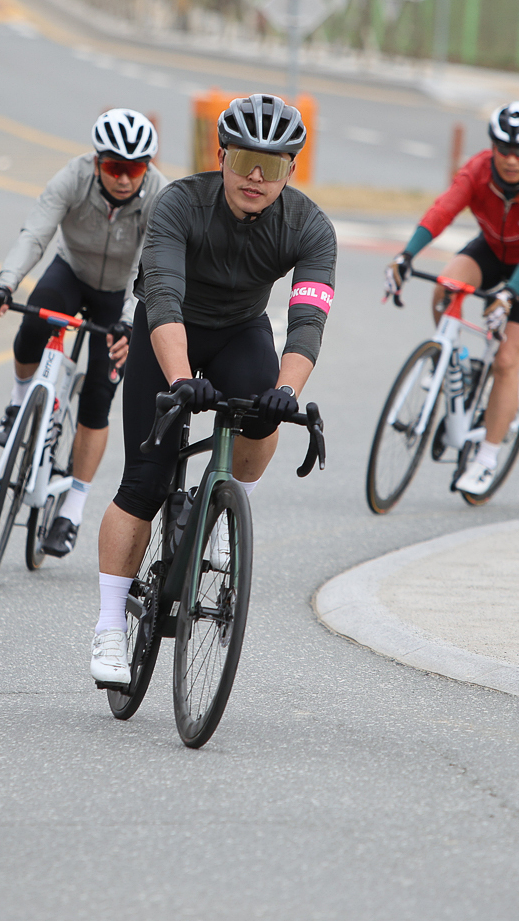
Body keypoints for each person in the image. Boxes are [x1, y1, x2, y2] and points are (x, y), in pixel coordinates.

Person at [88, 94, 335, 685]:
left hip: (240, 331)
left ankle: (219, 507)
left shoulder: (309, 227)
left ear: (290, 171)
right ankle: (109, 625)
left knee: (264, 420)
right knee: (144, 482)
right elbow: (163, 298)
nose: (256, 176)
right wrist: (180, 380)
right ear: (221, 156)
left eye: (272, 166)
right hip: (166, 330)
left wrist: (286, 392)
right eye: (245, 159)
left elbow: (307, 321)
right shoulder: (180, 203)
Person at [0, 108, 164, 558]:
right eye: (114, 167)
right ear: (97, 162)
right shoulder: (72, 177)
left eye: (135, 169)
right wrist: (4, 285)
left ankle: (72, 509)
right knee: (31, 326)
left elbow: (148, 268)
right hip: (72, 272)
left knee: (98, 396)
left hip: (120, 292)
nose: (124, 179)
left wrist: (127, 322)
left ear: (147, 167)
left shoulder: (160, 195)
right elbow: (35, 234)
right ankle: (19, 403)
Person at [387, 101, 519, 493]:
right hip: (493, 246)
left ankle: (486, 459)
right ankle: (453, 363)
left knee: (506, 358)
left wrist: (509, 294)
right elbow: (443, 211)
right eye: (503, 150)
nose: (511, 160)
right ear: (492, 147)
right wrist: (406, 255)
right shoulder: (478, 170)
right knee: (445, 287)